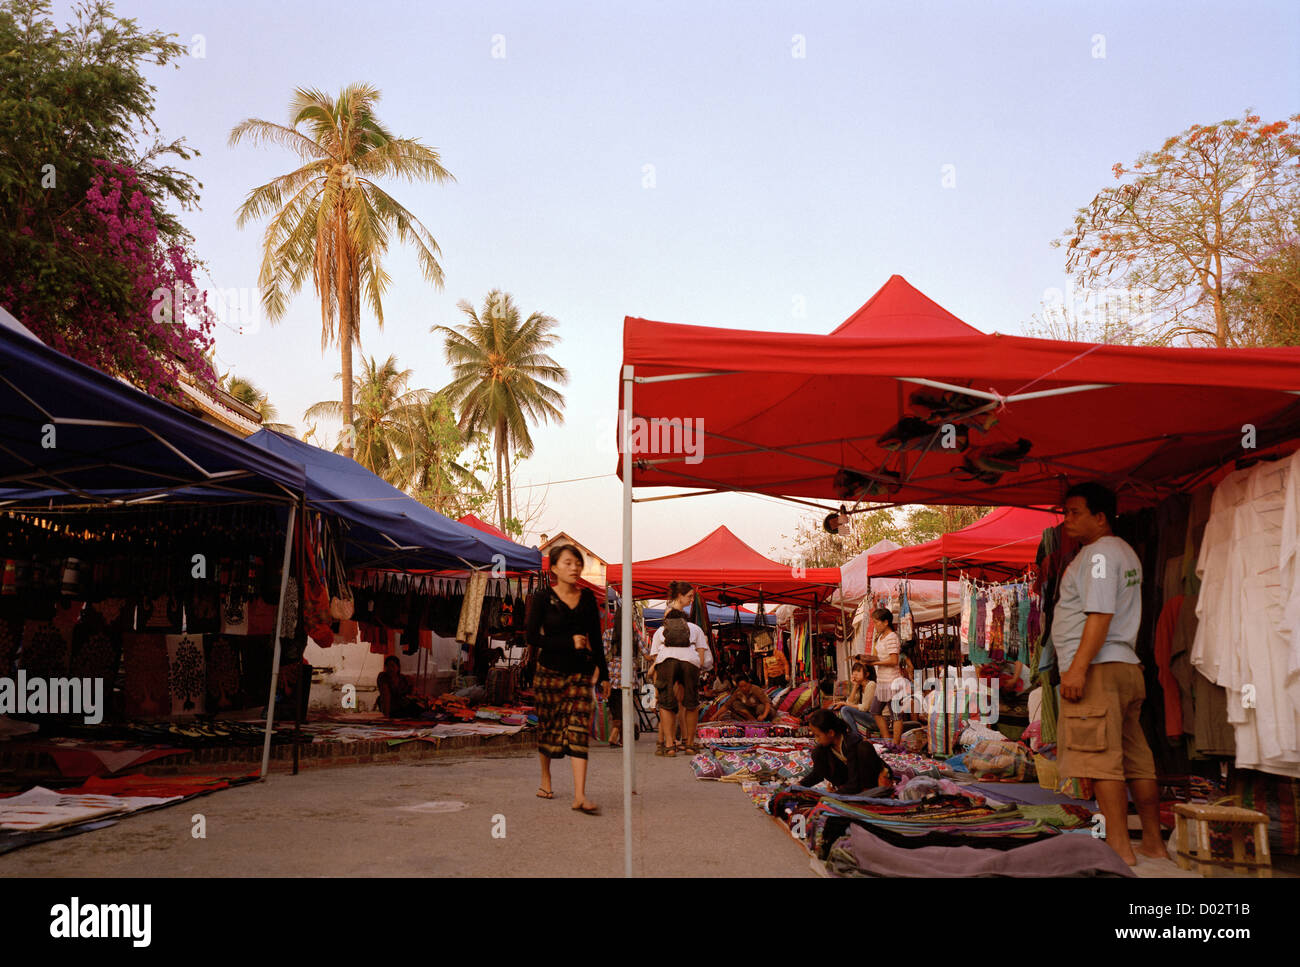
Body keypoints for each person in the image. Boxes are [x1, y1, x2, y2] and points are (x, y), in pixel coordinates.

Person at [1054, 482, 1163, 866]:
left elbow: (1100, 615)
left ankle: (1119, 848)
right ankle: (1153, 842)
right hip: (1125, 666)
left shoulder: (1099, 555)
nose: (1067, 520)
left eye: (1075, 512)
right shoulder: (1124, 552)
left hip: (1099, 667)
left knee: (1101, 760)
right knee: (1136, 757)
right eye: (1065, 512)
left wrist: (1077, 669)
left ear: (1100, 517)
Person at [526, 544, 608, 815]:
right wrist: (566, 641)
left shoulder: (587, 599)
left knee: (578, 728)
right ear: (555, 569)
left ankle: (580, 795)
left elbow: (595, 639)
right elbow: (532, 637)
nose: (575, 568)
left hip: (579, 674)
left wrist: (604, 675)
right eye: (569, 563)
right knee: (550, 727)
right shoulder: (541, 599)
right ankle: (546, 779)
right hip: (549, 673)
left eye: (578, 563)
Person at [649, 607, 709, 755]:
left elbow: (655, 658)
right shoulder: (695, 628)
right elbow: (701, 659)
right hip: (690, 662)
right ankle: (689, 745)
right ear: (684, 620)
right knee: (691, 704)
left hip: (666, 661)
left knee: (666, 704)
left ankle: (669, 746)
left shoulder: (660, 630)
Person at [797, 708, 893, 796]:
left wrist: (837, 794)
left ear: (831, 733)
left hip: (867, 779)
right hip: (850, 782)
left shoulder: (851, 743)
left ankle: (868, 790)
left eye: (818, 735)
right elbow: (819, 772)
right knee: (817, 753)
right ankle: (850, 791)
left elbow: (854, 780)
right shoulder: (824, 749)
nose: (816, 739)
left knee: (865, 747)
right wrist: (801, 784)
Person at [863, 608, 906, 744]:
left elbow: (894, 660)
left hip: (892, 681)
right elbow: (883, 656)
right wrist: (868, 659)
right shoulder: (881, 637)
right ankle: (887, 739)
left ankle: (895, 743)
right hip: (882, 681)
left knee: (896, 715)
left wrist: (875, 662)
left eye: (876, 623)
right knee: (875, 711)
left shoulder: (892, 637)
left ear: (885, 622)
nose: (875, 626)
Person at [831, 659, 876, 737]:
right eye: (854, 671)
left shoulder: (871, 684)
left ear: (867, 674)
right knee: (834, 708)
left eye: (858, 671)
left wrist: (844, 703)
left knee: (845, 709)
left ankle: (855, 736)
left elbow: (864, 708)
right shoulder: (860, 686)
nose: (855, 674)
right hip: (866, 716)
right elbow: (850, 703)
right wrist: (855, 686)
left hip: (874, 720)